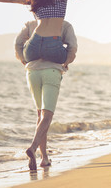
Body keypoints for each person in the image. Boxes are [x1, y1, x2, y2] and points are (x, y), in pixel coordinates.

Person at [15, 19, 77, 171]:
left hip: (32, 72)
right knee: (47, 115)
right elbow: (72, 48)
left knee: (40, 115)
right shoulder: (64, 25)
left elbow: (17, 44)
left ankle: (44, 158)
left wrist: (23, 60)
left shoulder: (29, 24)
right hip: (52, 71)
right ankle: (33, 147)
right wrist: (66, 63)